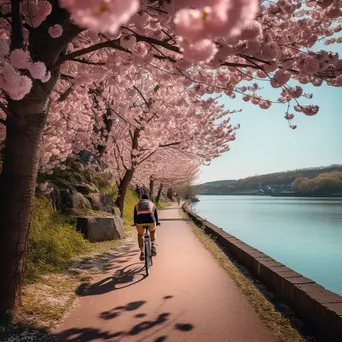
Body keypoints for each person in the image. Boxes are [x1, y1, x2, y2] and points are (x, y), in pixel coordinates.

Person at [134, 194, 160, 261]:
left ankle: (142, 251)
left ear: (141, 198)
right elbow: (156, 215)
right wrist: (157, 222)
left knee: (140, 235)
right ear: (148, 199)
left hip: (140, 222)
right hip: (151, 221)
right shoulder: (152, 204)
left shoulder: (137, 205)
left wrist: (135, 223)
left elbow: (135, 216)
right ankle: (153, 244)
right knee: (153, 230)